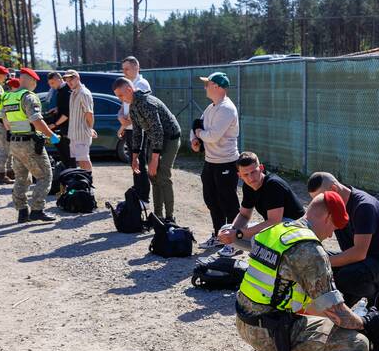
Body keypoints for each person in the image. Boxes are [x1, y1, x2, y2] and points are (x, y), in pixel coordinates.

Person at [235, 191, 369, 351]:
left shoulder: (277, 231)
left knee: (320, 319)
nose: (331, 234)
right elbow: (337, 312)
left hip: (245, 322)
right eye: (334, 226)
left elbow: (285, 294)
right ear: (327, 217)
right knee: (359, 345)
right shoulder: (310, 250)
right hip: (270, 331)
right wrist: (366, 322)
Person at [306, 172, 379, 306]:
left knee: (343, 275)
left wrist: (323, 262)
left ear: (334, 190)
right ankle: (342, 304)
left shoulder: (364, 206)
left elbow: (359, 253)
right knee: (315, 257)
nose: (321, 205)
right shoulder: (334, 207)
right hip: (356, 261)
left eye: (323, 199)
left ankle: (378, 296)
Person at [111, 76, 182, 220]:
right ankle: (157, 216)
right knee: (153, 176)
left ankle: (169, 218)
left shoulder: (146, 103)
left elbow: (158, 130)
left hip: (170, 138)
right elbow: (137, 132)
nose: (120, 99)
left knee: (163, 176)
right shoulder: (133, 105)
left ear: (129, 90)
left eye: (121, 95)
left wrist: (155, 159)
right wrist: (135, 157)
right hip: (156, 138)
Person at [218, 151, 304, 258]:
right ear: (239, 175)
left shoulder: (273, 185)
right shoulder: (248, 186)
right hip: (279, 229)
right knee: (226, 229)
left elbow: (274, 221)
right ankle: (269, 256)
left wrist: (239, 234)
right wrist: (232, 232)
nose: (251, 178)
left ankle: (274, 259)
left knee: (257, 238)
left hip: (298, 231)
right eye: (246, 174)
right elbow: (244, 215)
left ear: (261, 168)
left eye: (253, 172)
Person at [1, 68, 60, 222]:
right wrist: (52, 136)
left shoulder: (8, 97)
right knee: (45, 175)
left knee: (21, 178)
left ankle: (22, 211)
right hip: (30, 143)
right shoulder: (28, 97)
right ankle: (37, 209)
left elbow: (6, 123)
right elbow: (36, 121)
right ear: (32, 81)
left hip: (15, 142)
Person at [191, 71, 240, 249]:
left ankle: (234, 241)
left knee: (229, 203)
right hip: (210, 162)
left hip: (226, 161)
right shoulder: (211, 107)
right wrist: (194, 139)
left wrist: (199, 134)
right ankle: (219, 236)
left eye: (208, 83)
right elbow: (199, 125)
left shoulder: (226, 108)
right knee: (212, 200)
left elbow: (212, 136)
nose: (205, 87)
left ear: (217, 87)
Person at [64, 70, 96, 173]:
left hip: (82, 134)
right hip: (74, 134)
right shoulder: (73, 93)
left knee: (84, 160)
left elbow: (89, 113)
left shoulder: (84, 93)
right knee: (81, 161)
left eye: (71, 80)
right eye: (67, 81)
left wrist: (90, 128)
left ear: (77, 78)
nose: (69, 83)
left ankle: (89, 183)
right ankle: (85, 182)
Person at [45, 71, 72, 167]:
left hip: (66, 129)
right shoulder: (60, 90)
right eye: (49, 84)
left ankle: (71, 175)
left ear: (59, 79)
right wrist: (56, 109)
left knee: (67, 155)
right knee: (62, 153)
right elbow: (64, 107)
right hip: (61, 128)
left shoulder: (66, 91)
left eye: (52, 83)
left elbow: (67, 113)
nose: (51, 86)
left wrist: (55, 125)